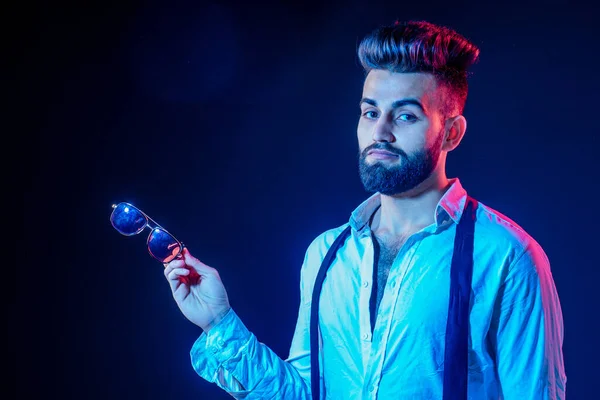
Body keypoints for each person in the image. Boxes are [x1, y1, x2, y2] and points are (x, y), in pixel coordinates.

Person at [163, 20, 566, 399]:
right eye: (371, 112)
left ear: (451, 132)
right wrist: (218, 322)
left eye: (405, 115)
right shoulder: (325, 255)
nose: (380, 132)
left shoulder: (508, 257)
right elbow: (302, 393)